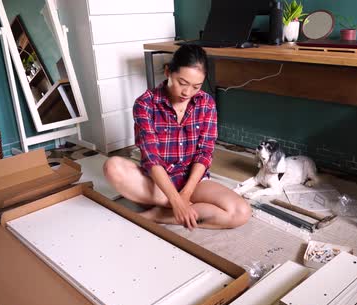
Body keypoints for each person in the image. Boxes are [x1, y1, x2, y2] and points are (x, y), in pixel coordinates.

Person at [104, 45, 251, 230]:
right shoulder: (145, 104)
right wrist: (175, 199)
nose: (187, 92)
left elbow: (204, 153)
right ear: (168, 72)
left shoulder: (206, 103)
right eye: (182, 82)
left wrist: (185, 195)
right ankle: (177, 208)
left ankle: (159, 214)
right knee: (113, 167)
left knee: (241, 212)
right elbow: (151, 159)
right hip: (157, 185)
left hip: (193, 183)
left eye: (196, 86)